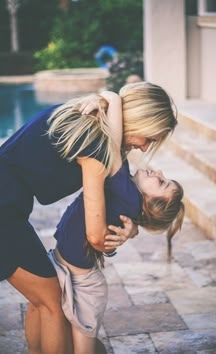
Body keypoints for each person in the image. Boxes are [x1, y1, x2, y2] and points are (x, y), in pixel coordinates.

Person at [0, 81, 177, 354]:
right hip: (4, 210)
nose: (144, 149)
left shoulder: (88, 120)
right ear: (140, 120)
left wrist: (130, 228)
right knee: (52, 304)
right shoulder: (95, 145)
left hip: (8, 205)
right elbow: (95, 236)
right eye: (150, 139)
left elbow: (115, 161)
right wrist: (113, 238)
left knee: (41, 300)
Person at [47, 89, 184, 354]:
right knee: (75, 339)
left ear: (149, 201)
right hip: (72, 271)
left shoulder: (126, 191)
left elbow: (112, 141)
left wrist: (113, 98)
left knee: (82, 345)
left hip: (84, 283)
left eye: (161, 182)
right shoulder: (127, 192)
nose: (158, 171)